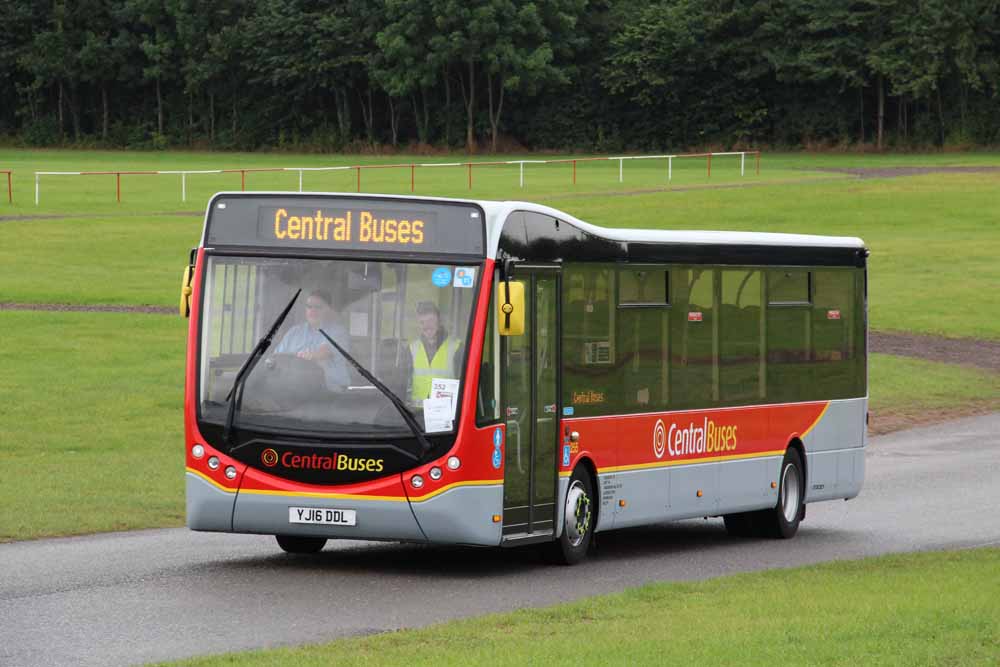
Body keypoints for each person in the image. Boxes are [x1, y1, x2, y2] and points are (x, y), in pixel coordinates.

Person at [274, 289, 351, 392]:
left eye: (318, 307)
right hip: (291, 393)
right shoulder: (294, 332)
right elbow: (276, 358)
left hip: (330, 397)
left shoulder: (338, 332)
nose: (312, 311)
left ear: (328, 309)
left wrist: (307, 356)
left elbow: (322, 353)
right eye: (309, 307)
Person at [410, 301, 460, 401]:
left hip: (447, 412)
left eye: (430, 320)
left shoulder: (456, 347)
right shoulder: (411, 348)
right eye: (422, 322)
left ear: (439, 321)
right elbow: (401, 383)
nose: (426, 326)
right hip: (416, 412)